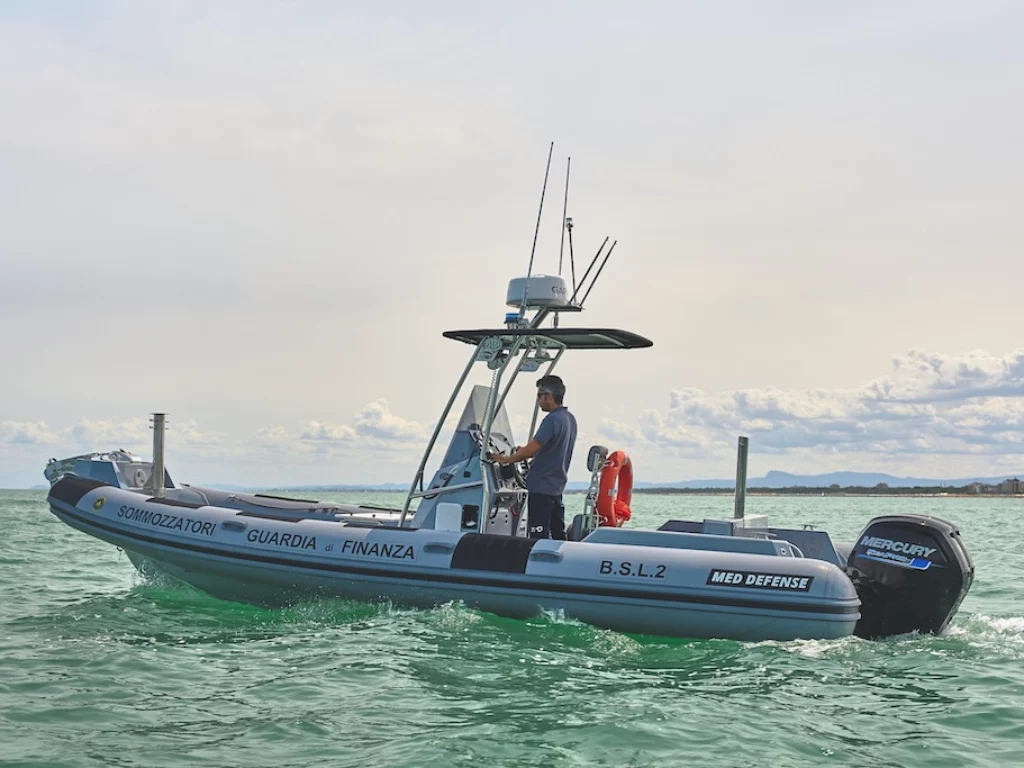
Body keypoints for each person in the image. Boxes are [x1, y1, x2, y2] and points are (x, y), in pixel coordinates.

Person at [487, 375, 577, 540]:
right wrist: (522, 452)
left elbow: (530, 451)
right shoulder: (569, 419)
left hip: (542, 489)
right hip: (556, 488)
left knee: (538, 536)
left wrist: (505, 460)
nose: (538, 400)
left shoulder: (552, 420)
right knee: (557, 533)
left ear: (548, 397)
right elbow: (549, 448)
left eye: (539, 396)